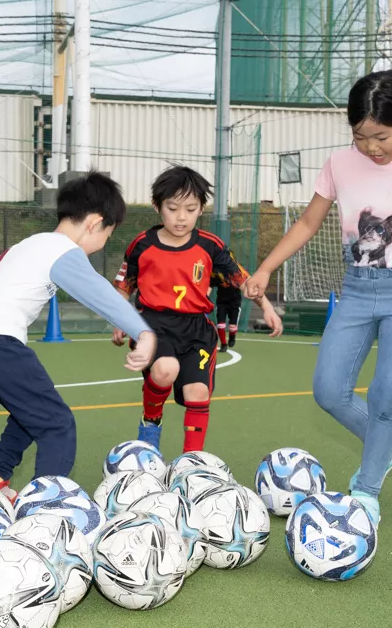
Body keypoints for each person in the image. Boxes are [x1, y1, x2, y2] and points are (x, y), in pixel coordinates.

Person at [245, 70, 392, 526]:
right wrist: (266, 267)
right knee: (328, 390)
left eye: (381, 136)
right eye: (360, 135)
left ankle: (366, 491)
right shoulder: (338, 164)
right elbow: (308, 222)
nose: (370, 147)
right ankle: (388, 444)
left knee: (388, 390)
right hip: (356, 287)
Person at [0, 172, 156, 493]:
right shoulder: (63, 250)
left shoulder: (29, 243)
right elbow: (98, 292)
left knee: (31, 411)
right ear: (94, 223)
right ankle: (47, 507)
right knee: (57, 424)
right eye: (107, 235)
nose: (102, 245)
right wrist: (142, 332)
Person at [112, 165, 283, 454]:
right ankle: (150, 423)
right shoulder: (143, 245)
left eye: (190, 209)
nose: (181, 217)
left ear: (201, 209)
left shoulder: (210, 246)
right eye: (173, 208)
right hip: (154, 326)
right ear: (157, 206)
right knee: (166, 369)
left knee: (198, 393)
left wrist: (266, 306)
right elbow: (123, 285)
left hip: (196, 330)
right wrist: (118, 318)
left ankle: (191, 462)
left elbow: (242, 279)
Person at [215, 283, 243, 349]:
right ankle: (223, 344)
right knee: (220, 325)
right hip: (222, 303)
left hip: (234, 304)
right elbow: (210, 285)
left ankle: (232, 337)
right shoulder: (219, 274)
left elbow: (245, 285)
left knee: (232, 327)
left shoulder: (239, 274)